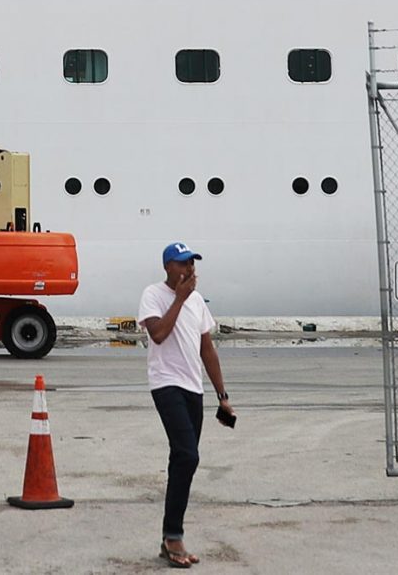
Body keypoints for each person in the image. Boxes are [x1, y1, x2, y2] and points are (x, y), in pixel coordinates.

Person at [140, 242, 232, 569]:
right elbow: (159, 334)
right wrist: (179, 298)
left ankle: (169, 536)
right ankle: (173, 535)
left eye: (192, 263)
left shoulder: (197, 303)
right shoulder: (153, 295)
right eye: (182, 264)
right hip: (166, 385)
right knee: (188, 455)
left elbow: (207, 349)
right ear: (167, 267)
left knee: (182, 459)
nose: (189, 269)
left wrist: (223, 396)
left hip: (194, 390)